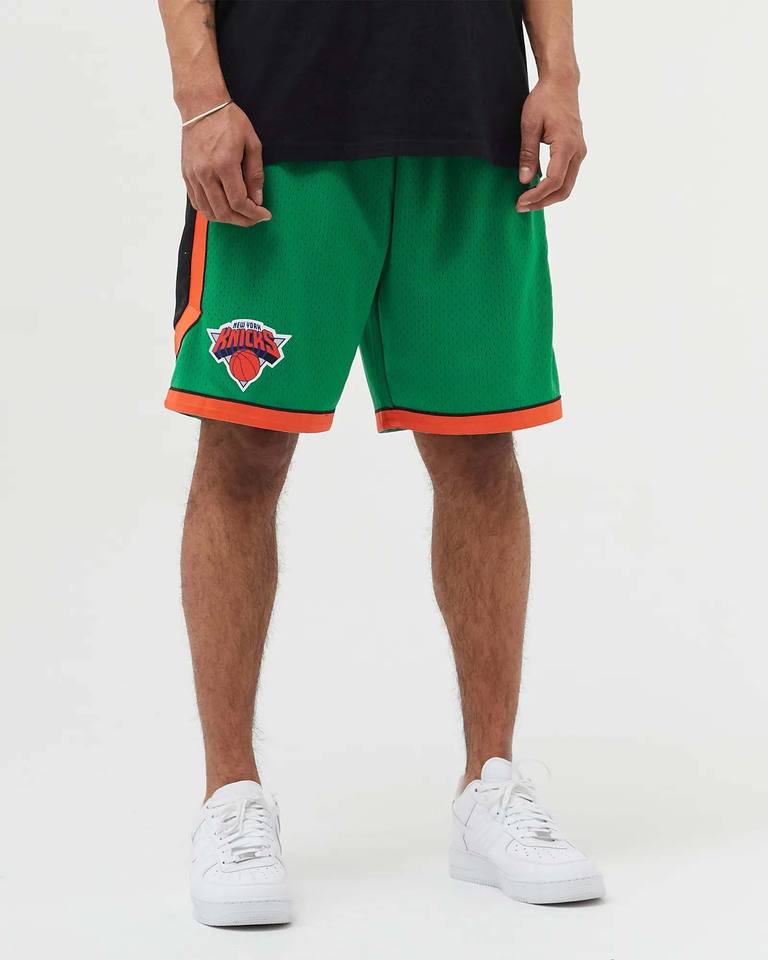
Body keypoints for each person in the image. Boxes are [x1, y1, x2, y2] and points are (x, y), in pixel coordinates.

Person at [158, 0, 602, 927]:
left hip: (473, 124)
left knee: (480, 450)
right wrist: (202, 98)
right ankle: (229, 795)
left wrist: (558, 75)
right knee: (241, 449)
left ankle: (490, 785)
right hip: (279, 130)